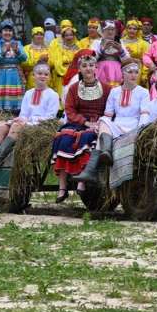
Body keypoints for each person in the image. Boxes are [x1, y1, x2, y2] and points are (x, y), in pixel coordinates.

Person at [0, 63, 60, 172]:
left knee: (16, 127)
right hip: (26, 122)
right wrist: (20, 118)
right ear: (34, 75)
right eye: (40, 73)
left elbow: (50, 117)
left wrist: (28, 121)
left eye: (46, 74)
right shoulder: (29, 93)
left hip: (41, 125)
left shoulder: (53, 95)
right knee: (3, 127)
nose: (43, 76)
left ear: (49, 77)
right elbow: (24, 113)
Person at [75, 61, 149, 185]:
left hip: (134, 126)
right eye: (129, 72)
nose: (133, 75)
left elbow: (144, 114)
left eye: (136, 72)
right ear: (123, 73)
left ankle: (91, 169)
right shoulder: (115, 91)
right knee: (103, 120)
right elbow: (108, 114)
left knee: (102, 130)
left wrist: (140, 131)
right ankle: (106, 153)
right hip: (117, 124)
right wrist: (100, 125)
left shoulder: (143, 92)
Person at [51, 54, 110, 202]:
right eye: (84, 66)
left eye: (91, 65)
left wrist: (100, 123)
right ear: (80, 69)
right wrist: (85, 122)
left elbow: (110, 109)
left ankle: (82, 182)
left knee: (87, 137)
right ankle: (62, 187)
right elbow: (69, 110)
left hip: (98, 123)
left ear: (96, 67)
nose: (88, 69)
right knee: (64, 138)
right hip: (78, 123)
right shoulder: (73, 88)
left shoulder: (106, 88)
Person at [0, 20, 27, 112]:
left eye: (10, 31)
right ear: (1, 32)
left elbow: (24, 58)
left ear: (13, 32)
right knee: (1, 99)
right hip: (1, 74)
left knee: (15, 98)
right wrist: (3, 51)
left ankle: (15, 112)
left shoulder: (18, 43)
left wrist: (17, 51)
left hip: (15, 74)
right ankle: (0, 113)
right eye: (5, 30)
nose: (7, 33)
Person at [48, 22, 79, 102]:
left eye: (71, 35)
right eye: (66, 35)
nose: (69, 37)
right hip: (62, 76)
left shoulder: (78, 46)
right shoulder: (58, 47)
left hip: (75, 76)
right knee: (62, 95)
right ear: (63, 36)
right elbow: (57, 63)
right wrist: (67, 72)